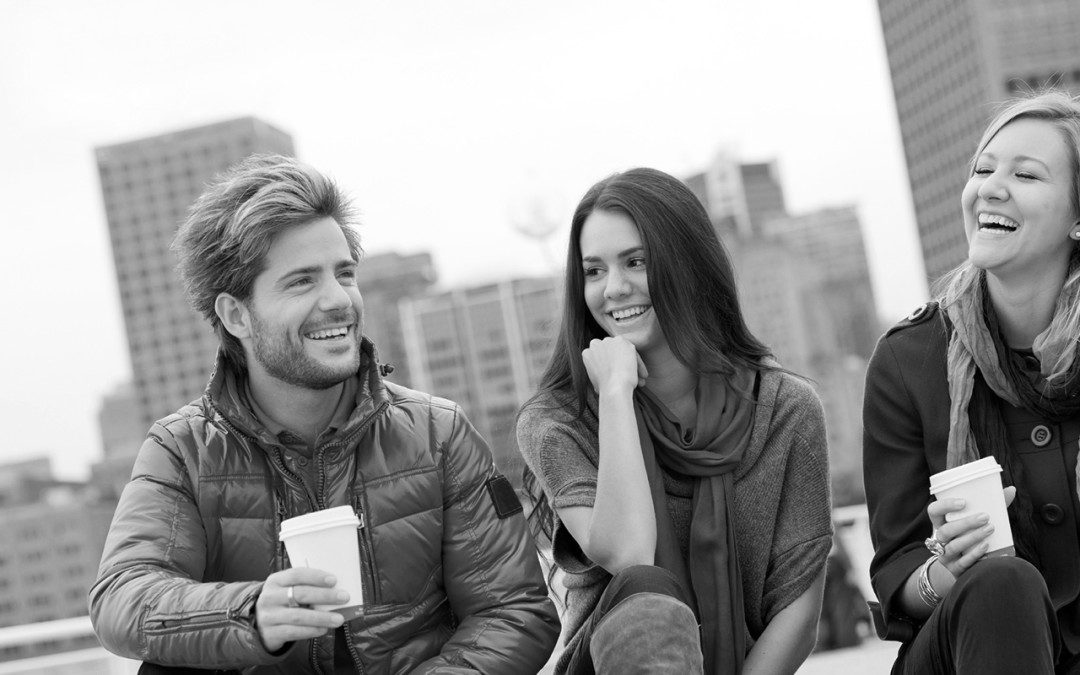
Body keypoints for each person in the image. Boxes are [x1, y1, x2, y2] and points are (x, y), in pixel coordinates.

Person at [89, 155, 560, 674]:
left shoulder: (439, 433)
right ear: (236, 315)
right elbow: (122, 596)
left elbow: (514, 611)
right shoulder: (182, 450)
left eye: (344, 273)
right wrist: (249, 614)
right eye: (302, 281)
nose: (338, 300)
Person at [516, 168, 832, 674]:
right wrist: (616, 395)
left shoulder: (786, 410)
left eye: (635, 262)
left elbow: (797, 606)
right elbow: (629, 554)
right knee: (646, 589)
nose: (613, 289)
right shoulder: (557, 422)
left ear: (688, 265)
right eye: (593, 271)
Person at [864, 90, 1080, 674]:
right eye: (983, 169)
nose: (990, 186)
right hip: (967, 653)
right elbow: (896, 577)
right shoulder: (911, 360)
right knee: (999, 584)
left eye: (1025, 174)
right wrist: (945, 571)